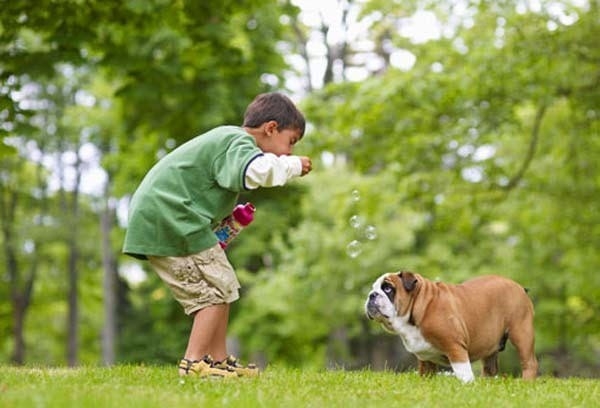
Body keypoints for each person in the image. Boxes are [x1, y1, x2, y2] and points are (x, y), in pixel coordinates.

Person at [122, 92, 312, 377]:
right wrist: (293, 166)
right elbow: (256, 172)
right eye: (291, 142)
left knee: (224, 288)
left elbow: (208, 187)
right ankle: (194, 363)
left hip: (171, 219)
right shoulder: (238, 141)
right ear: (271, 128)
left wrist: (230, 221)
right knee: (213, 294)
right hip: (171, 219)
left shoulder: (228, 144)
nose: (288, 152)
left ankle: (217, 361)